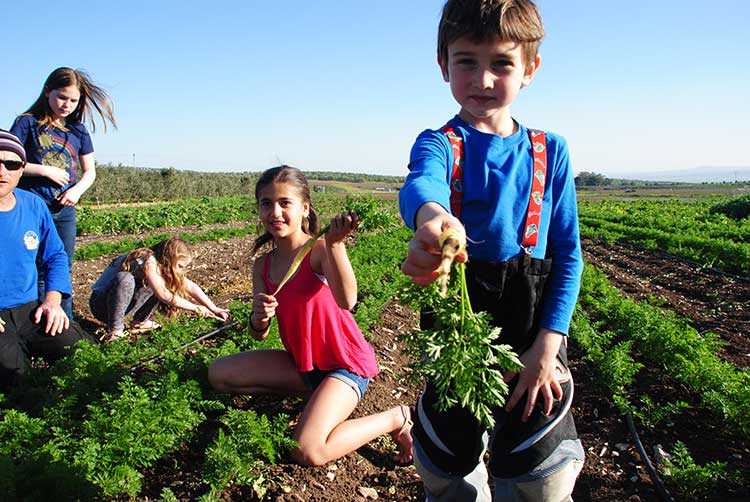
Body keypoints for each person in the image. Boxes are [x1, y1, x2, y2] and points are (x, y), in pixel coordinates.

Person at [398, 1, 585, 500]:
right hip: (461, 324)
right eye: (466, 62)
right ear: (443, 65)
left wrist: (549, 345)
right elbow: (422, 184)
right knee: (445, 459)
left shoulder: (551, 150)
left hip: (532, 330)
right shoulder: (440, 142)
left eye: (501, 62)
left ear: (529, 69)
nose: (482, 79)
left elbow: (568, 254)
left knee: (539, 470)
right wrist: (434, 221)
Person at [208, 165, 413, 466]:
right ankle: (317, 394)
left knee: (308, 450)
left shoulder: (317, 250)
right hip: (303, 364)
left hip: (344, 364)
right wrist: (259, 317)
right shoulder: (262, 266)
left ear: (304, 208)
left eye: (284, 203)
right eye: (267, 203)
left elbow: (348, 301)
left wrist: (335, 243)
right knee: (219, 374)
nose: (275, 212)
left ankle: (397, 418)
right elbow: (258, 333)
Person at [10, 67, 117, 318]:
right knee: (35, 266)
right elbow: (10, 160)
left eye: (73, 100)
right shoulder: (27, 123)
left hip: (64, 210)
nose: (66, 104)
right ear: (47, 91)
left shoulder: (78, 131)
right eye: (62, 97)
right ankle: (34, 323)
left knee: (61, 266)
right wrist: (45, 170)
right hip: (34, 207)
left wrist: (77, 191)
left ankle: (63, 323)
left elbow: (89, 171)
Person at [0, 130, 93, 389]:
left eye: (11, 164)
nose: (2, 171)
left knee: (85, 353)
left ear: (21, 170)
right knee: (16, 382)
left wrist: (53, 301)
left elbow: (55, 256)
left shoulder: (33, 205)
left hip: (29, 309)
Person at [89, 237, 231, 342]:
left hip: (123, 306)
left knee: (160, 282)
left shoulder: (160, 266)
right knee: (125, 279)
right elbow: (163, 295)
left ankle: (139, 322)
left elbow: (190, 286)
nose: (182, 270)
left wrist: (214, 308)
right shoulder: (147, 260)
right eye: (180, 266)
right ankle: (115, 330)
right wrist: (195, 308)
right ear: (169, 258)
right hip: (101, 305)